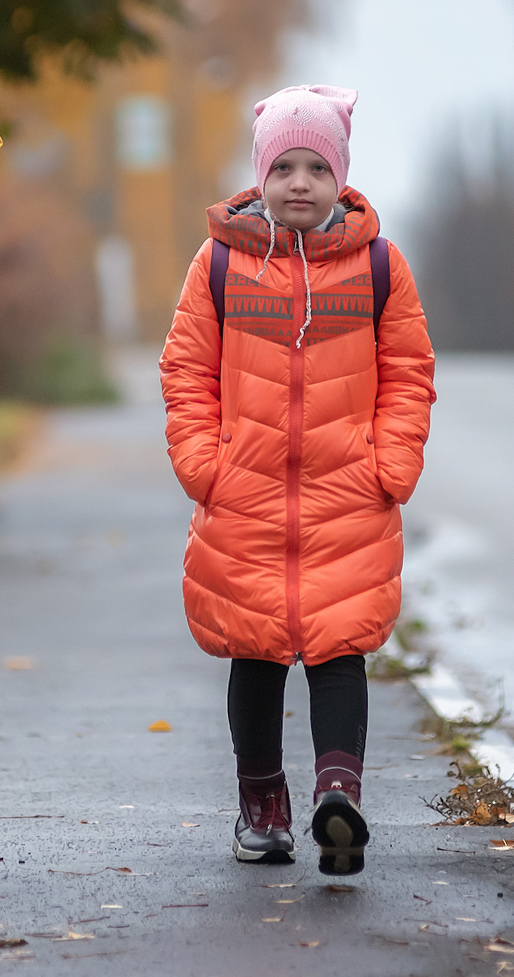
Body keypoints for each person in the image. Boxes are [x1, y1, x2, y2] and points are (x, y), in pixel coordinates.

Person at [159, 85, 435, 875]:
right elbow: (186, 370)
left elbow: (410, 370)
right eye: (286, 166)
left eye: (318, 166)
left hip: (349, 495)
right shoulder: (218, 264)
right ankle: (262, 802)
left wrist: (392, 464)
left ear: (340, 176)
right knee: (255, 653)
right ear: (261, 175)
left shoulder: (380, 267)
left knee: (339, 649)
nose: (301, 182)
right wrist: (203, 465)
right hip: (242, 495)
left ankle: (335, 797)